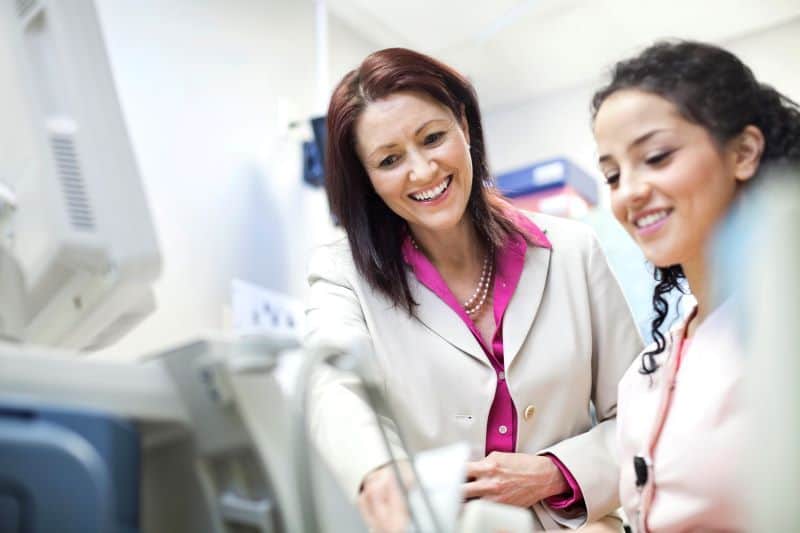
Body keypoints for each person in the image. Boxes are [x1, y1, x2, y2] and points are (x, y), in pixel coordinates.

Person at [305, 47, 642, 532]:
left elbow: (638, 418)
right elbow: (331, 386)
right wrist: (381, 474)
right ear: (367, 178)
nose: (421, 171)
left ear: (463, 125)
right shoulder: (343, 274)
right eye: (389, 159)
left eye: (433, 137)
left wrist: (555, 473)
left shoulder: (573, 250)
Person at [590, 40, 800, 532]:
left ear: (744, 152)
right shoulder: (656, 362)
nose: (630, 192)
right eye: (613, 175)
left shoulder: (784, 323)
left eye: (657, 157)